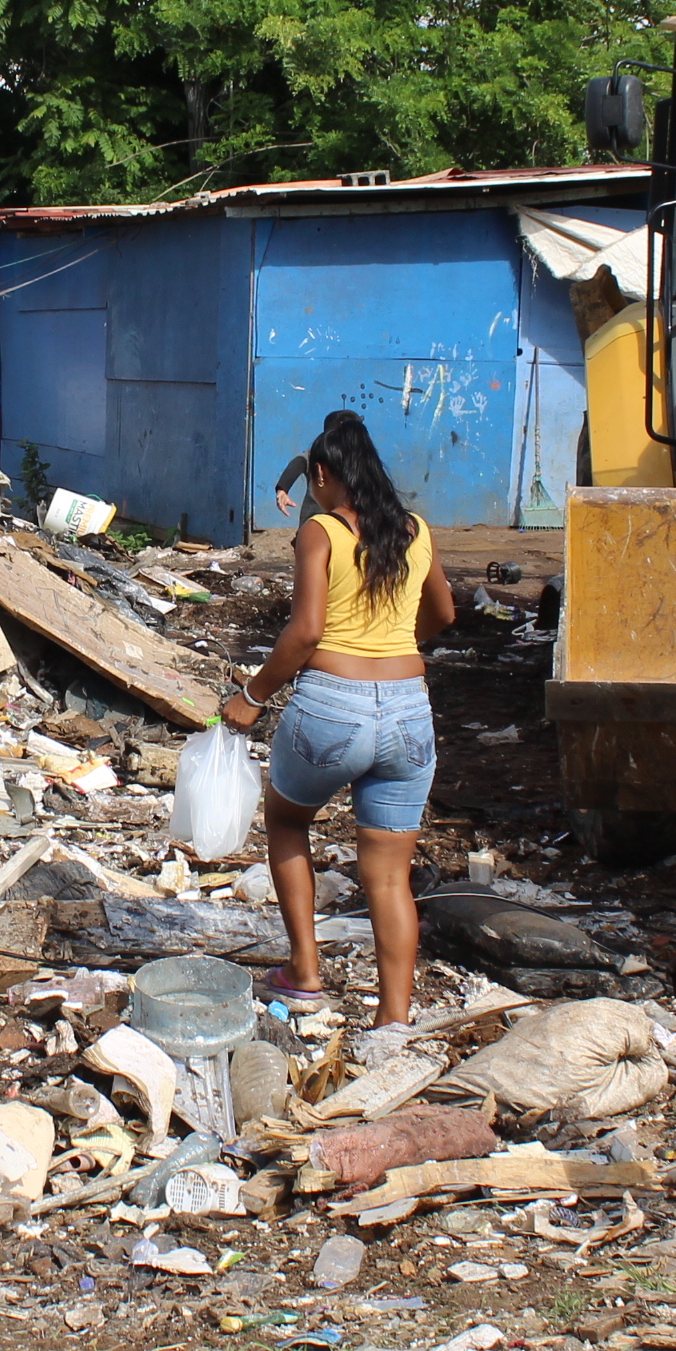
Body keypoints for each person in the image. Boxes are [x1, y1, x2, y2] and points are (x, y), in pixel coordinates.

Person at [219, 411, 455, 1058]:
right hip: (409, 711)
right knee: (389, 878)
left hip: (331, 706)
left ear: (322, 475)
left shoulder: (319, 531)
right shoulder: (414, 531)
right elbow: (444, 612)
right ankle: (394, 1022)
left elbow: (306, 631)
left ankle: (305, 973)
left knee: (288, 821)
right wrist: (394, 650)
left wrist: (251, 695)